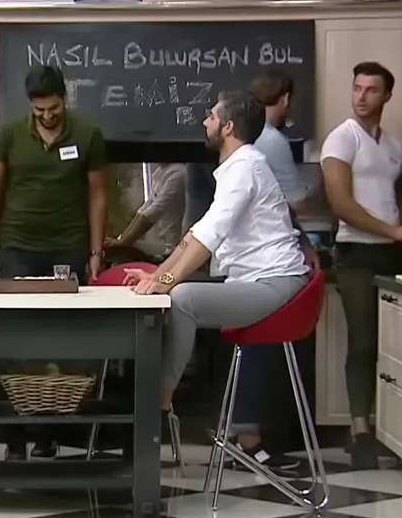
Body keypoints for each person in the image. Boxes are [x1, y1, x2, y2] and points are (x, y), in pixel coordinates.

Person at [126, 91, 312, 430]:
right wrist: (157, 276)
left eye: (211, 116)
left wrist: (166, 282)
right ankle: (156, 399)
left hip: (275, 283)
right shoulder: (236, 167)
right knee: (174, 293)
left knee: (182, 299)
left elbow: (209, 237)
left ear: (228, 127)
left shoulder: (245, 167)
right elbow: (195, 235)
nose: (204, 122)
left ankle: (160, 402)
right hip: (255, 281)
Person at [0, 65, 109, 460]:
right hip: (18, 246)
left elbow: (98, 195)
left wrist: (95, 253)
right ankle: (15, 436)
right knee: (16, 340)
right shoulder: (8, 134)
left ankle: (50, 434)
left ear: (64, 98)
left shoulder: (88, 133)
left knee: (64, 341)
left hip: (67, 247)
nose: (47, 116)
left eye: (53, 108)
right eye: (39, 110)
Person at [321, 62, 402, 469]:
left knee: (393, 343)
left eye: (371, 90)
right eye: (357, 88)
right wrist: (392, 231)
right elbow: (341, 204)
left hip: (391, 256)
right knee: (363, 341)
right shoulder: (342, 139)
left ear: (387, 96)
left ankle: (394, 428)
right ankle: (360, 429)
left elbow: (399, 198)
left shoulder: (394, 145)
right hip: (356, 254)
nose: (361, 97)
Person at [227, 70, 317, 471]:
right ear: (285, 99)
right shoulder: (272, 141)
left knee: (249, 348)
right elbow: (294, 204)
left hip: (240, 262)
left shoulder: (239, 142)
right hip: (265, 265)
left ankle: (239, 433)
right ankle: (249, 439)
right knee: (262, 347)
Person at [105, 163, 187, 263]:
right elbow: (144, 209)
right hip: (164, 244)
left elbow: (151, 214)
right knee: (125, 248)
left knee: (125, 253)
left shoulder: (178, 174)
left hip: (176, 248)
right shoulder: (160, 172)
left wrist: (123, 242)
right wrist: (121, 239)